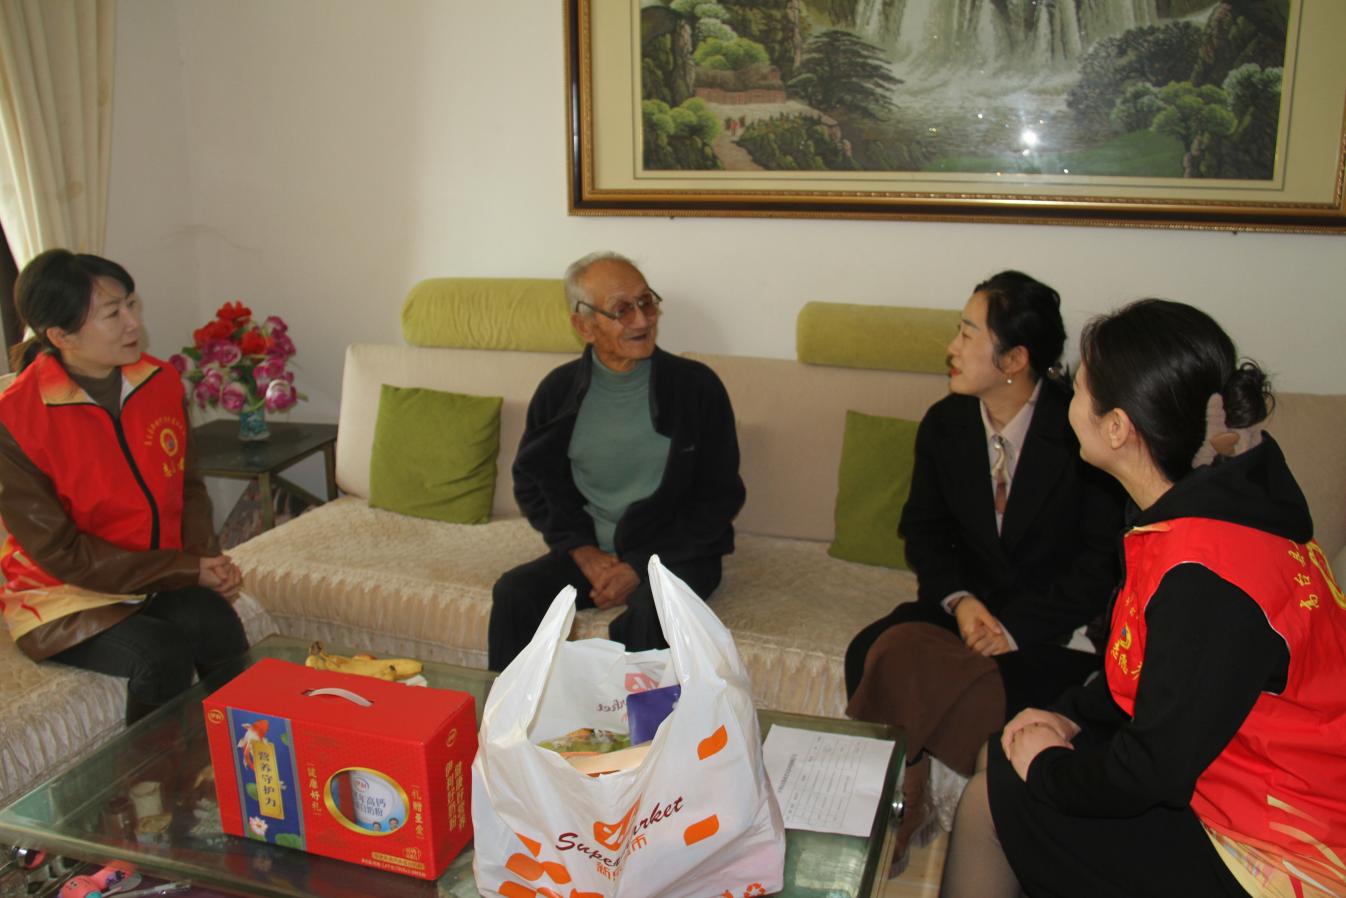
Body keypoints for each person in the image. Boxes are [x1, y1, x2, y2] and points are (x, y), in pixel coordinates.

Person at [939, 299, 1346, 898]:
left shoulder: (1207, 577)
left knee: (990, 800)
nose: (1064, 399)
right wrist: (1068, 716)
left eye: (1078, 388)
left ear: (1117, 428)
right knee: (1002, 760)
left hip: (1281, 848)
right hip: (1225, 779)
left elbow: (1152, 769)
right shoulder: (1199, 511)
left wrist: (1050, 767)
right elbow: (1150, 675)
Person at [844, 271, 1123, 873]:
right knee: (871, 648)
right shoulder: (946, 423)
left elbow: (1101, 562)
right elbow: (924, 531)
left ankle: (936, 805)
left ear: (1015, 360)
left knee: (1004, 683)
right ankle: (908, 790)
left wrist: (1012, 629)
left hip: (1049, 626)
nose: (952, 346)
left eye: (969, 333)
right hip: (965, 609)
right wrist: (963, 602)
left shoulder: (1079, 431)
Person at [0, 249, 248, 724]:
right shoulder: (16, 418)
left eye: (131, 304)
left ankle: (246, 756)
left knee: (215, 621)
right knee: (160, 653)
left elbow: (188, 487)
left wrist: (203, 559)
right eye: (113, 313)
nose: (134, 322)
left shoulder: (158, 380)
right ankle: (155, 774)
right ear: (61, 336)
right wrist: (182, 569)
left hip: (151, 575)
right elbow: (60, 553)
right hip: (63, 594)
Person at [487, 251, 745, 671]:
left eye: (646, 302)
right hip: (595, 552)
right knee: (516, 593)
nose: (642, 320)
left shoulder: (696, 387)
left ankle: (634, 717)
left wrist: (640, 565)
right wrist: (581, 550)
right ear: (583, 326)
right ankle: (515, 711)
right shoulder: (558, 391)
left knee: (648, 616)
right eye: (622, 309)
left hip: (678, 553)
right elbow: (533, 481)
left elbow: (718, 497)